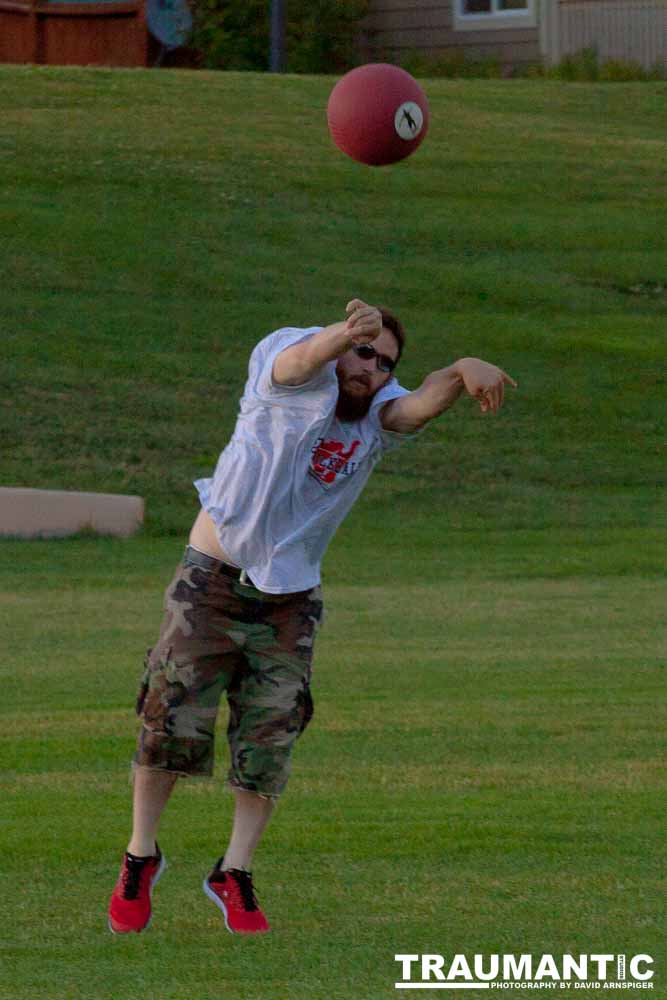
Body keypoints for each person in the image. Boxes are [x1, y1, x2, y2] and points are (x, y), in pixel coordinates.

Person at [107, 298, 517, 936]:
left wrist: (463, 367)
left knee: (270, 738)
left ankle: (233, 873)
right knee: (170, 720)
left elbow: (415, 408)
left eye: (385, 363)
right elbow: (302, 360)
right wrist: (340, 337)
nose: (373, 369)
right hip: (209, 584)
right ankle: (140, 856)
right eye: (365, 352)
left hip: (290, 600)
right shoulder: (285, 370)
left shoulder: (374, 413)